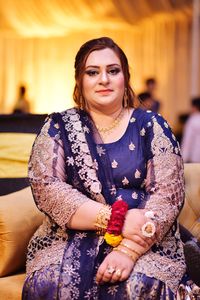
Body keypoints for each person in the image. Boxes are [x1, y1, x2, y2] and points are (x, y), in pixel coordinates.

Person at [22, 37, 200, 299]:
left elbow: (167, 196)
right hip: (68, 236)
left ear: (125, 77)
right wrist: (116, 220)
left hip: (144, 239)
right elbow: (46, 188)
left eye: (113, 71)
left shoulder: (150, 124)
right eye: (92, 72)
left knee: (140, 284)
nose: (103, 79)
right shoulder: (59, 126)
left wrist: (128, 250)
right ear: (80, 80)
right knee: (49, 282)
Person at [181, 97, 200, 163]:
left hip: (195, 158)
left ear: (194, 107)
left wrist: (183, 159)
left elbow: (187, 141)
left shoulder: (192, 120)